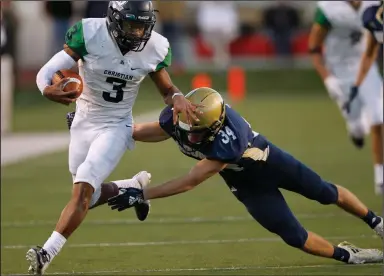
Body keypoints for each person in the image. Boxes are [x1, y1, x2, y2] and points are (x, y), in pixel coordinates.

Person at [107, 87, 383, 265]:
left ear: (216, 125)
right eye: (186, 124)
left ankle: (376, 222)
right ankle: (348, 256)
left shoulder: (230, 139)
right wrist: (101, 126)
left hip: (271, 164)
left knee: (324, 192)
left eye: (197, 130)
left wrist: (143, 194)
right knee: (293, 236)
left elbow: (191, 180)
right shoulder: (182, 117)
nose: (189, 133)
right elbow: (150, 131)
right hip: (245, 184)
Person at [27, 1, 199, 275]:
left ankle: (46, 252)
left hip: (117, 125)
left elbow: (166, 89)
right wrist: (47, 90)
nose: (138, 32)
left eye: (143, 25)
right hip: (83, 120)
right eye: (132, 24)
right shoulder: (89, 33)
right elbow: (45, 73)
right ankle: (133, 188)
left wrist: (177, 97)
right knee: (89, 196)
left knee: (83, 186)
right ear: (115, 20)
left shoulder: (155, 46)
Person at [308, 1, 383, 195]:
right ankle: (356, 129)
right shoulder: (327, 8)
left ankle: (380, 177)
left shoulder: (374, 4)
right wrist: (327, 79)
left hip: (365, 65)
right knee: (358, 126)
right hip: (339, 71)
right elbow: (314, 47)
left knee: (378, 117)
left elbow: (373, 42)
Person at [348, 1, 383, 194]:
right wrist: (357, 84)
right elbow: (369, 54)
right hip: (379, 74)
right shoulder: (372, 17)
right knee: (377, 119)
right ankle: (380, 177)